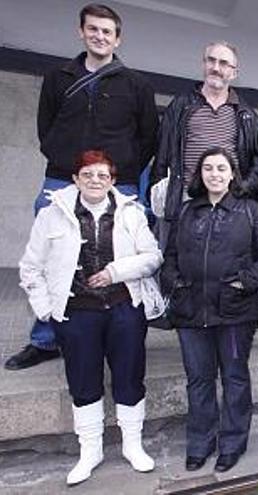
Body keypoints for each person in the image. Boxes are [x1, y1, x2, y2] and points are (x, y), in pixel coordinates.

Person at [6, 3, 159, 371]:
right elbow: (47, 128)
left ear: (117, 38)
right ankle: (44, 338)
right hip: (63, 175)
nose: (100, 36)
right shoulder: (58, 77)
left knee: (119, 256)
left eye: (107, 32)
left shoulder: (136, 84)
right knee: (51, 255)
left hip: (119, 182)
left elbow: (148, 137)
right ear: (82, 32)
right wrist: (65, 158)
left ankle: (114, 332)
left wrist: (121, 170)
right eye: (94, 29)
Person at [19, 150, 161, 485]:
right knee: (83, 382)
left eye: (102, 175)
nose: (95, 181)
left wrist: (116, 271)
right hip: (77, 313)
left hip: (125, 308)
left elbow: (153, 256)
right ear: (75, 179)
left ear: (112, 180)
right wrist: (46, 309)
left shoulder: (131, 212)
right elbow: (31, 267)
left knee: (129, 377)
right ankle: (90, 451)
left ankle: (132, 445)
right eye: (88, 175)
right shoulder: (52, 214)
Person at [161, 147, 258, 473]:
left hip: (234, 313)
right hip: (191, 312)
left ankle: (232, 444)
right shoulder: (186, 211)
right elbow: (169, 256)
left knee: (235, 378)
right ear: (200, 174)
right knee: (198, 380)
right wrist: (175, 284)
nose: (214, 174)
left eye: (221, 168)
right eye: (208, 168)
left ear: (232, 174)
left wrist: (246, 283)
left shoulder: (249, 210)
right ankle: (200, 444)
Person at [151, 40, 258, 247]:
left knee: (224, 266)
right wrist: (160, 195)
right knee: (176, 265)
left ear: (234, 72)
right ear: (203, 65)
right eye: (211, 60)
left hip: (229, 204)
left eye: (224, 63)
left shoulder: (246, 115)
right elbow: (162, 154)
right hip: (185, 200)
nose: (216, 68)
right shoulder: (180, 106)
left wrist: (240, 189)